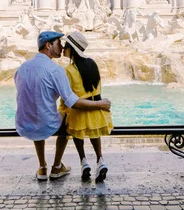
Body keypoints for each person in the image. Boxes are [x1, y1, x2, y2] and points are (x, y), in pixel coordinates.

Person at [14, 30, 111, 181]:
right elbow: (72, 101)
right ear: (48, 45)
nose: (61, 47)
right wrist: (100, 104)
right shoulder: (57, 70)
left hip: (23, 124)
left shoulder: (22, 67)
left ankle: (42, 167)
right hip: (47, 124)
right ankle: (57, 166)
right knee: (66, 118)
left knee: (39, 111)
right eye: (58, 44)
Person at [60, 31, 113, 182]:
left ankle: (83, 162)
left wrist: (62, 111)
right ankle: (100, 160)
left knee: (77, 135)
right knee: (94, 134)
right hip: (97, 110)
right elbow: (98, 88)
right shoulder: (92, 63)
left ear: (71, 49)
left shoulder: (69, 70)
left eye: (66, 46)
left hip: (78, 111)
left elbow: (67, 95)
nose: (63, 48)